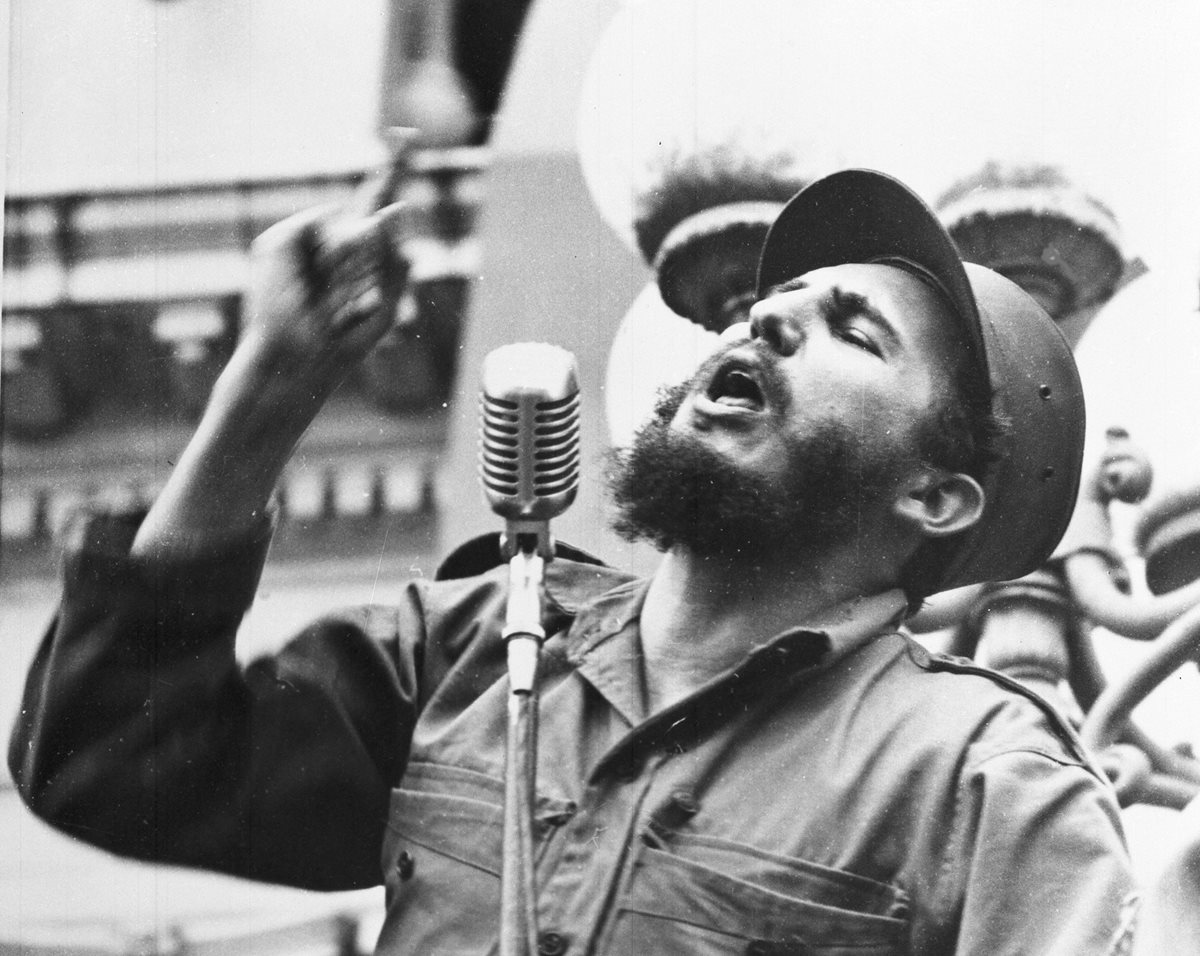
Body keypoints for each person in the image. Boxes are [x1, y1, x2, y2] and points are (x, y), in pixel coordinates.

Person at [10, 169, 1136, 954]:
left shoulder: (984, 777)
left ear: (934, 494)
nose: (763, 325)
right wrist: (265, 392)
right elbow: (107, 756)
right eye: (765, 304)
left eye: (852, 328)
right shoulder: (475, 642)